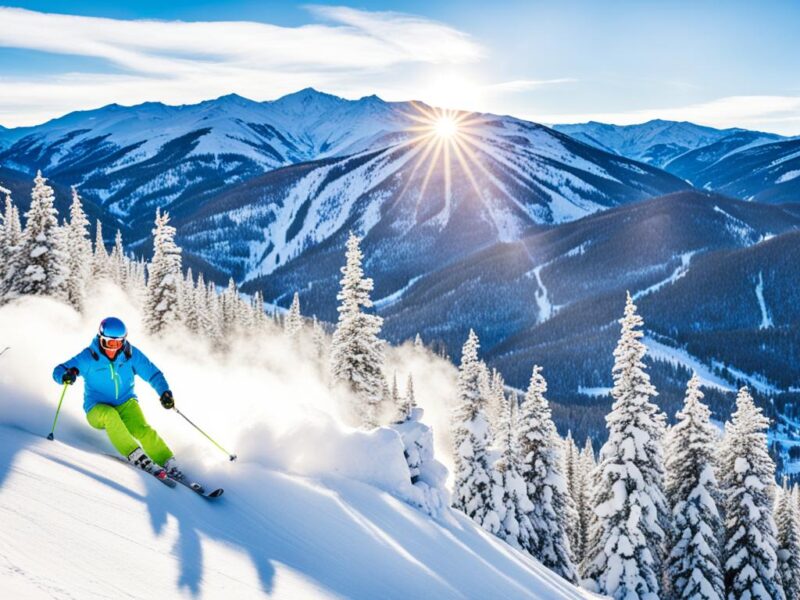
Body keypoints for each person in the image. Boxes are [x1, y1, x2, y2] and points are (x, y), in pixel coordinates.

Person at [52, 317, 184, 481]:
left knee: (142, 429)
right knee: (110, 416)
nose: (113, 349)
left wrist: (164, 392)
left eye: (118, 343)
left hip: (126, 402)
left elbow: (153, 374)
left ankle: (167, 461)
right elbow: (59, 370)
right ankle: (135, 455)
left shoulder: (130, 355)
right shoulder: (88, 357)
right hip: (96, 409)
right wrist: (66, 375)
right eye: (109, 343)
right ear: (101, 339)